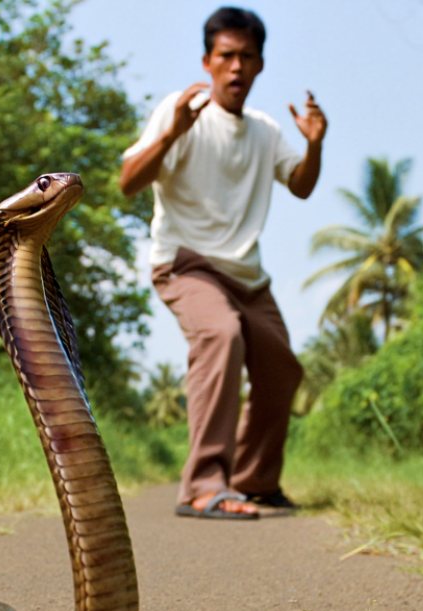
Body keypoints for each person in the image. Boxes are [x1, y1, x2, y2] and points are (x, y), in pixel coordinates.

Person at [119, 6, 326, 520]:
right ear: (207, 61)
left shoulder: (264, 130)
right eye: (226, 56)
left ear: (259, 66)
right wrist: (171, 134)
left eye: (247, 57)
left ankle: (254, 481)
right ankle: (203, 485)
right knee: (221, 335)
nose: (236, 67)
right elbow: (128, 181)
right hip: (186, 262)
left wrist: (314, 145)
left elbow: (300, 186)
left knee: (281, 367)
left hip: (246, 274)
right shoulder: (182, 109)